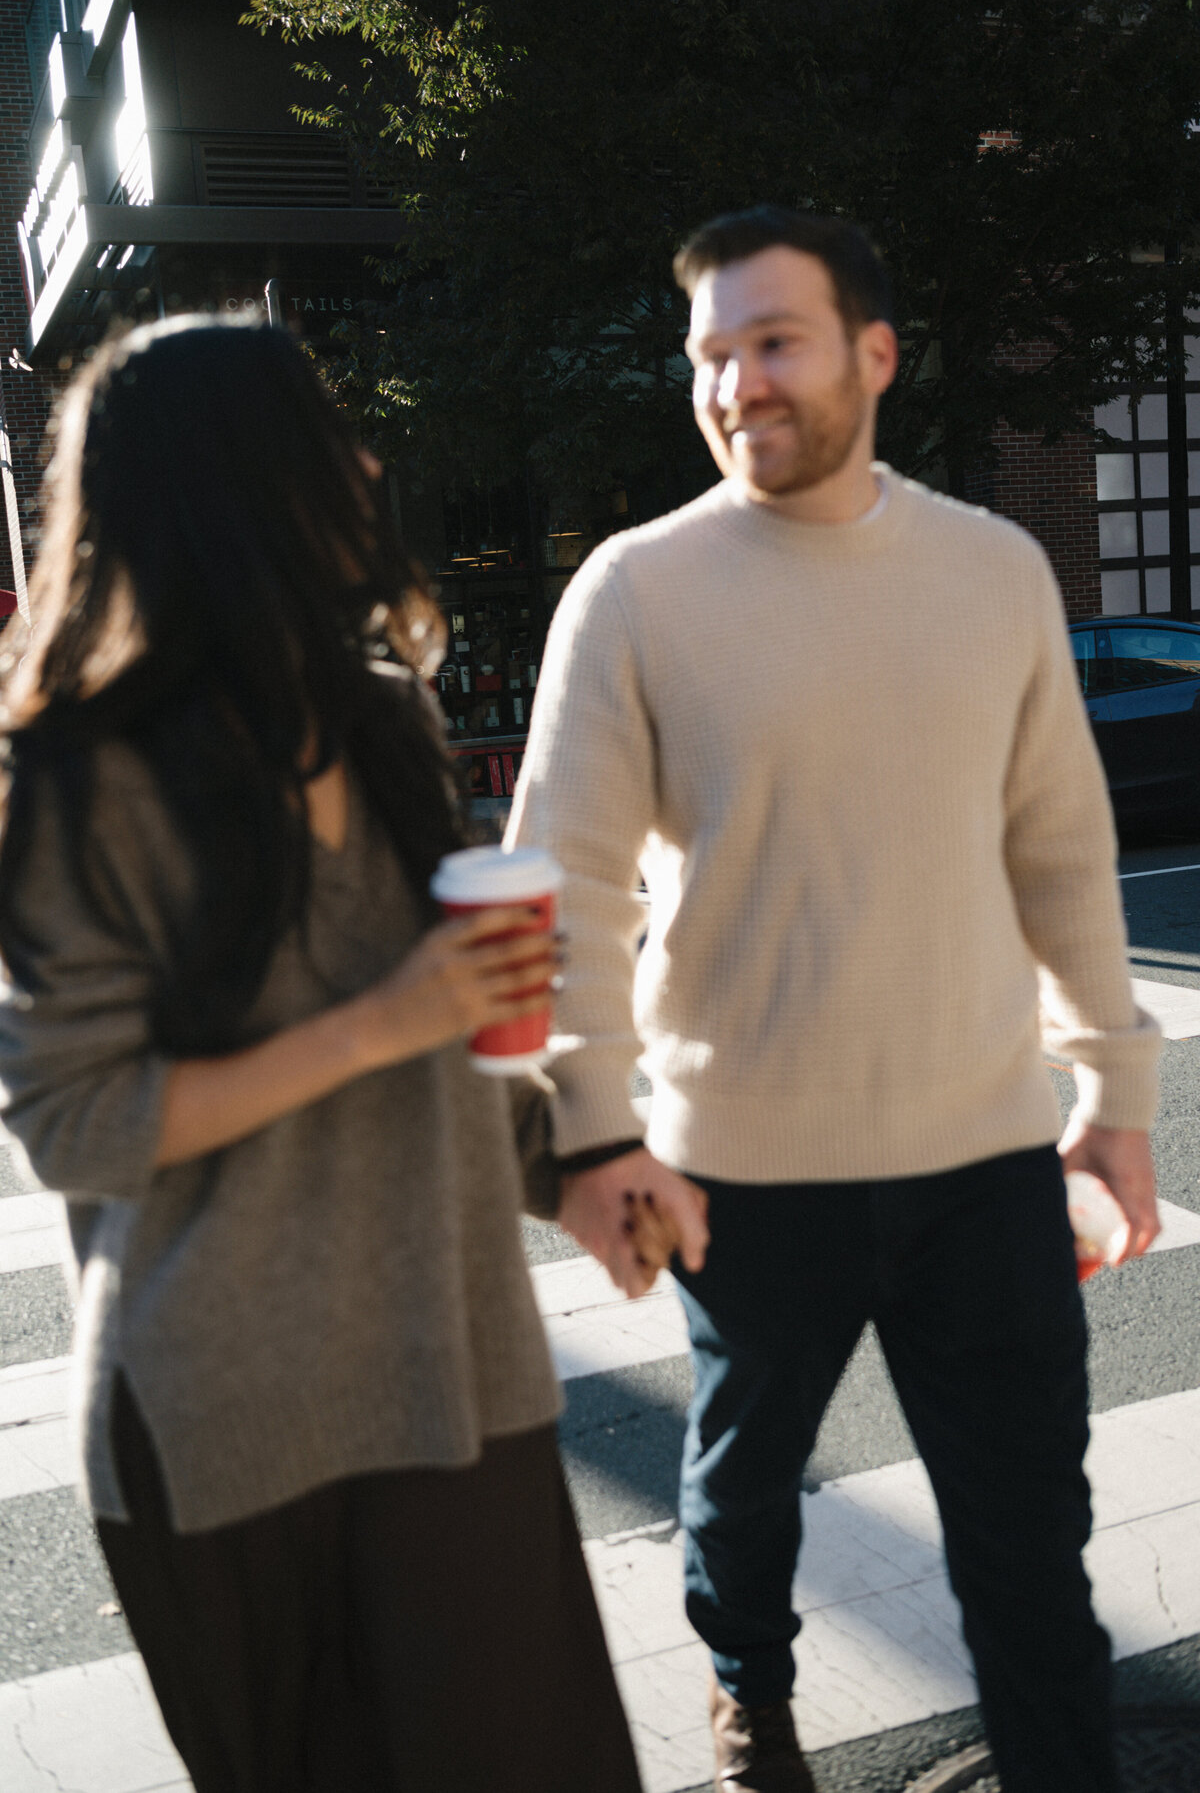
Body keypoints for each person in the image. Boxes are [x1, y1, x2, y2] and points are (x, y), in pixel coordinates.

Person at [506, 207, 1161, 1793]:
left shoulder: (996, 569)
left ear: (875, 354)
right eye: (709, 356)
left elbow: (1063, 854)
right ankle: (753, 1721)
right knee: (743, 1503)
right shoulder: (634, 589)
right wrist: (593, 1140)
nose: (736, 384)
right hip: (739, 1172)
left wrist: (1117, 1104)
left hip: (987, 1164)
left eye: (773, 342)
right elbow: (563, 890)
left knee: (1031, 1554)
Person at [0, 317, 642, 1793]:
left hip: (459, 1379)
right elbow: (80, 1124)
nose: (364, 462)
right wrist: (386, 1018)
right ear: (230, 488)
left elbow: (463, 1034)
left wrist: (584, 1170)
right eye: (322, 438)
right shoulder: (72, 775)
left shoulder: (387, 715)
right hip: (229, 1426)